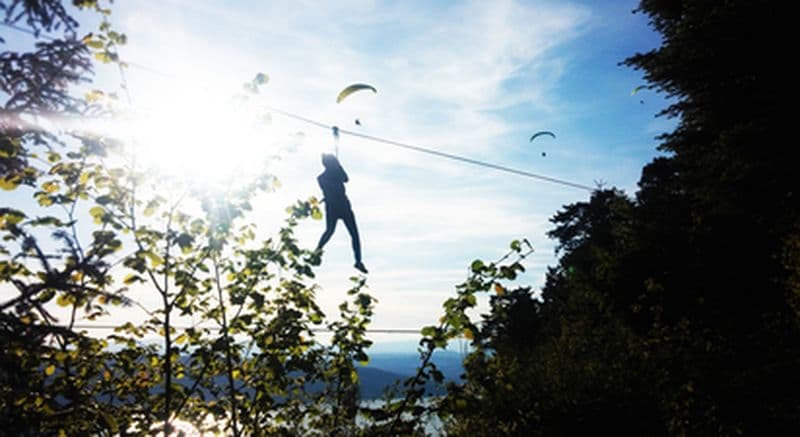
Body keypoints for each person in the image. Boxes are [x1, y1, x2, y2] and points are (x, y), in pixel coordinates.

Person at [316, 153, 368, 273]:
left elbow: (346, 179)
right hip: (335, 206)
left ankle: (358, 261)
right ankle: (317, 250)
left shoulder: (335, 173)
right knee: (330, 231)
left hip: (341, 206)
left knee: (353, 235)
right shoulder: (322, 178)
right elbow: (337, 185)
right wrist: (338, 167)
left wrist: (339, 166)